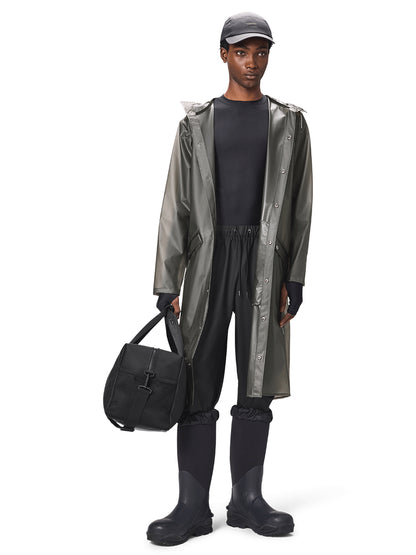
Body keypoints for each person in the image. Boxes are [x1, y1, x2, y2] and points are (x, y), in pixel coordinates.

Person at [148, 11, 313, 546]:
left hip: (266, 262)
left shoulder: (290, 123)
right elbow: (175, 205)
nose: (252, 61)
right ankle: (191, 508)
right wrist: (167, 282)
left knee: (257, 377)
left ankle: (246, 501)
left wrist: (294, 278)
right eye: (241, 51)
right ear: (223, 54)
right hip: (208, 261)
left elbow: (301, 207)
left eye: (261, 51)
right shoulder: (196, 124)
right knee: (197, 378)